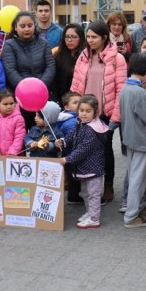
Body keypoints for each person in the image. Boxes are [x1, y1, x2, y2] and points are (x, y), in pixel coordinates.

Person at [71, 21, 127, 204]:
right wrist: (75, 111)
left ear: (104, 38)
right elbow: (76, 85)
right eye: (88, 36)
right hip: (85, 112)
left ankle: (108, 185)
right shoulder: (83, 56)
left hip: (105, 113)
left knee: (105, 151)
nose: (90, 40)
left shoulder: (116, 58)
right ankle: (86, 186)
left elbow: (121, 89)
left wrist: (116, 117)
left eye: (94, 37)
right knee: (84, 149)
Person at [119, 53, 146, 228]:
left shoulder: (125, 88)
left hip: (130, 139)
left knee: (135, 177)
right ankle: (131, 217)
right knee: (138, 181)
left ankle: (135, 212)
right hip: (143, 141)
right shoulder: (139, 92)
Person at [58, 94, 108, 229]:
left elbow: (83, 149)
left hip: (93, 168)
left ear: (95, 112)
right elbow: (72, 135)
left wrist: (67, 159)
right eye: (81, 110)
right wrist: (62, 141)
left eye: (88, 111)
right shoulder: (81, 124)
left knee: (93, 194)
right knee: (85, 193)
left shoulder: (92, 130)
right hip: (85, 168)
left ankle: (94, 218)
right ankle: (90, 212)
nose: (84, 114)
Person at [1, 11, 56, 102]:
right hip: (20, 94)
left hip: (42, 92)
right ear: (15, 27)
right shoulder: (9, 45)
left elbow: (50, 67)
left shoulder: (43, 43)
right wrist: (26, 88)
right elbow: (10, 71)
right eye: (22, 26)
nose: (27, 29)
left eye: (30, 25)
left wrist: (40, 86)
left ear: (34, 26)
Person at [51, 24, 85, 102]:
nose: (69, 40)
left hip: (80, 100)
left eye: (73, 37)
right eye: (67, 37)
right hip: (61, 100)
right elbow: (55, 82)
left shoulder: (85, 57)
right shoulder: (58, 56)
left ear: (81, 38)